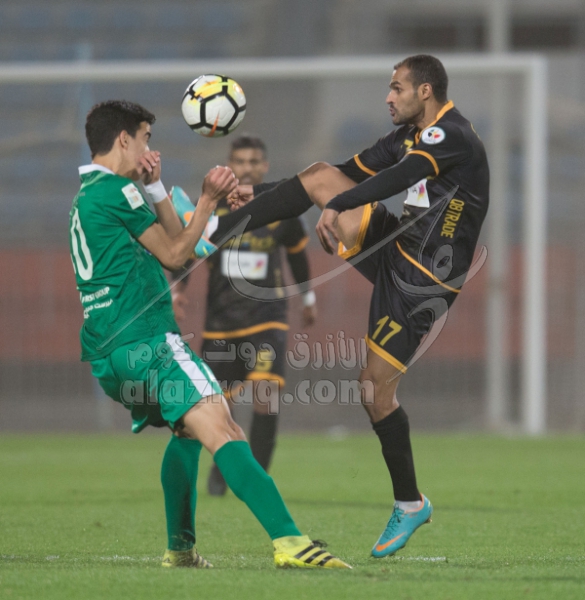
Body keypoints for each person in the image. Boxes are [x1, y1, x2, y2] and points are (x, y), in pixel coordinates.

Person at [190, 55, 490, 558]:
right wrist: (256, 192)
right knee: (319, 175)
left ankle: (410, 503)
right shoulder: (407, 135)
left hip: (423, 283)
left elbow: (400, 178)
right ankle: (216, 231)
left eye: (397, 88)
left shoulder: (451, 135)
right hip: (396, 246)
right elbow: (342, 174)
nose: (388, 97)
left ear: (426, 91)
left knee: (373, 392)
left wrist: (338, 206)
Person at [68, 100, 350, 569]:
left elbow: (174, 242)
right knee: (225, 427)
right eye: (145, 138)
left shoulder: (89, 196)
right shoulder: (118, 191)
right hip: (149, 343)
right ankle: (290, 541)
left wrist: (156, 187)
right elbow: (178, 254)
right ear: (123, 139)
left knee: (186, 431)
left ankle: (181, 549)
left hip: (110, 355)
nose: (149, 149)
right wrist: (207, 199)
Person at [171, 134, 317, 497]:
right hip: (221, 321)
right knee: (218, 407)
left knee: (266, 396)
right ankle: (224, 470)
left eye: (254, 161)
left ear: (264, 166)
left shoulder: (280, 208)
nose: (247, 168)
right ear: (230, 166)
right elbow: (188, 251)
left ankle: (257, 478)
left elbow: (297, 255)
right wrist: (177, 289)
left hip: (268, 317)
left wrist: (308, 297)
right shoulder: (212, 210)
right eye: (240, 161)